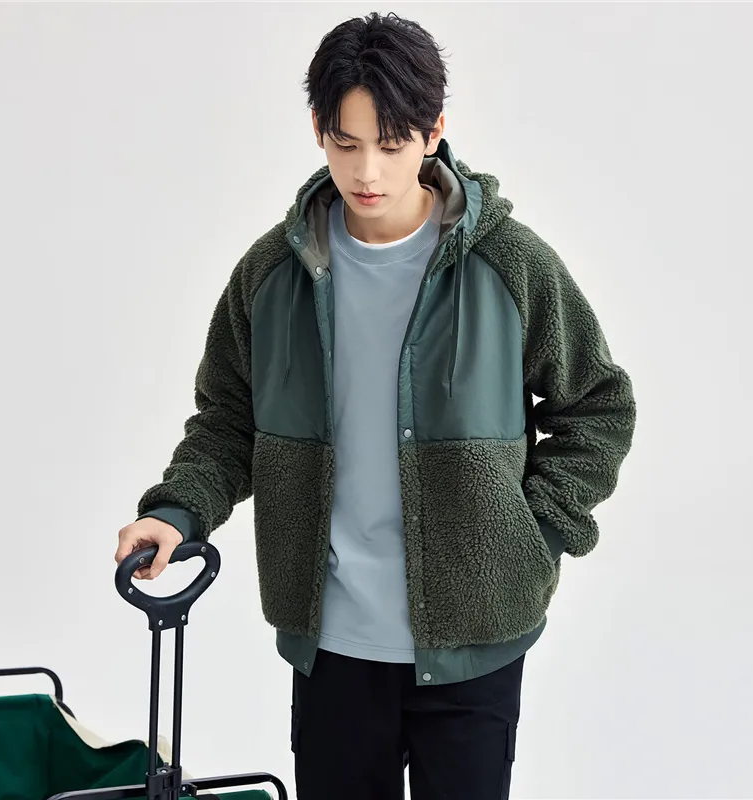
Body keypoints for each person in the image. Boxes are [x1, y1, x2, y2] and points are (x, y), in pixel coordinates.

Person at [115, 11, 636, 799]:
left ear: (433, 133)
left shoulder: (510, 264)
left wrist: (536, 535)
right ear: (318, 131)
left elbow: (598, 405)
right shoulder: (273, 275)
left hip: (475, 646)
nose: (367, 172)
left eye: (391, 146)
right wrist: (176, 512)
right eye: (346, 142)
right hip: (333, 649)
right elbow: (226, 422)